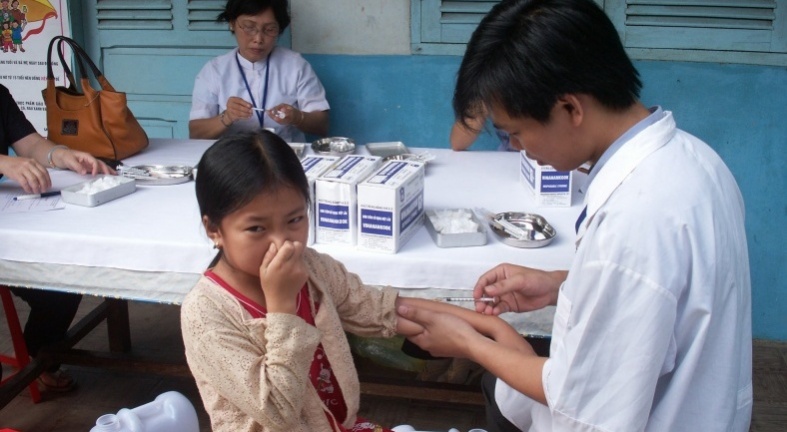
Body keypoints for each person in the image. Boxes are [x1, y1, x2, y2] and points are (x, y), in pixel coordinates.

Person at [396, 0, 753, 431]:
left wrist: (469, 344)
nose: (517, 148)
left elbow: (583, 405)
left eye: (516, 133)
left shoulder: (633, 221)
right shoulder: (695, 158)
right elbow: (668, 291)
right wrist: (562, 284)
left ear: (570, 108)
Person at [181, 130, 512, 431]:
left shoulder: (312, 268)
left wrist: (488, 326)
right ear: (214, 230)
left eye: (295, 220)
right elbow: (278, 411)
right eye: (257, 228)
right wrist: (282, 306)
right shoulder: (206, 313)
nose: (282, 243)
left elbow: (383, 309)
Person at [0, 83, 113, 391]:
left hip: (11, 219)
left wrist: (63, 155)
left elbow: (31, 145)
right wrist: (4, 162)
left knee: (62, 279)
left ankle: (38, 359)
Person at [188, 0, 330, 142]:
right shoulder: (215, 70)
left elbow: (322, 125)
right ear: (232, 24)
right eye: (249, 27)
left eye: (269, 29)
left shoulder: (295, 65)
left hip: (283, 152)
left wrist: (297, 117)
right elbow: (196, 133)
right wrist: (227, 117)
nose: (258, 39)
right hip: (233, 153)